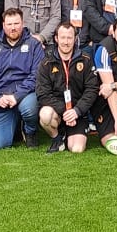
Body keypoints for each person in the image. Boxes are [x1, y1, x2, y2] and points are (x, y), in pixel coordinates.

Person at [0, 9, 44, 150]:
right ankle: (16, 128)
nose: (13, 27)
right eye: (9, 24)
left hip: (25, 95)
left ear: (23, 23)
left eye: (16, 23)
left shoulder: (34, 45)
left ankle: (30, 131)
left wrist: (17, 95)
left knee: (29, 108)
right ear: (3, 25)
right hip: (1, 99)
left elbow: (37, 75)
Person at [36, 22, 101, 154]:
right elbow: (43, 94)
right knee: (45, 114)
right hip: (57, 111)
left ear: (75, 39)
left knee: (77, 149)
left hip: (78, 113)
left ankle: (70, 135)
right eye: (63, 37)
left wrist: (77, 111)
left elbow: (92, 89)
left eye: (69, 38)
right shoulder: (46, 62)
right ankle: (57, 138)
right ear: (56, 38)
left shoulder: (85, 59)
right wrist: (65, 111)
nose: (66, 42)